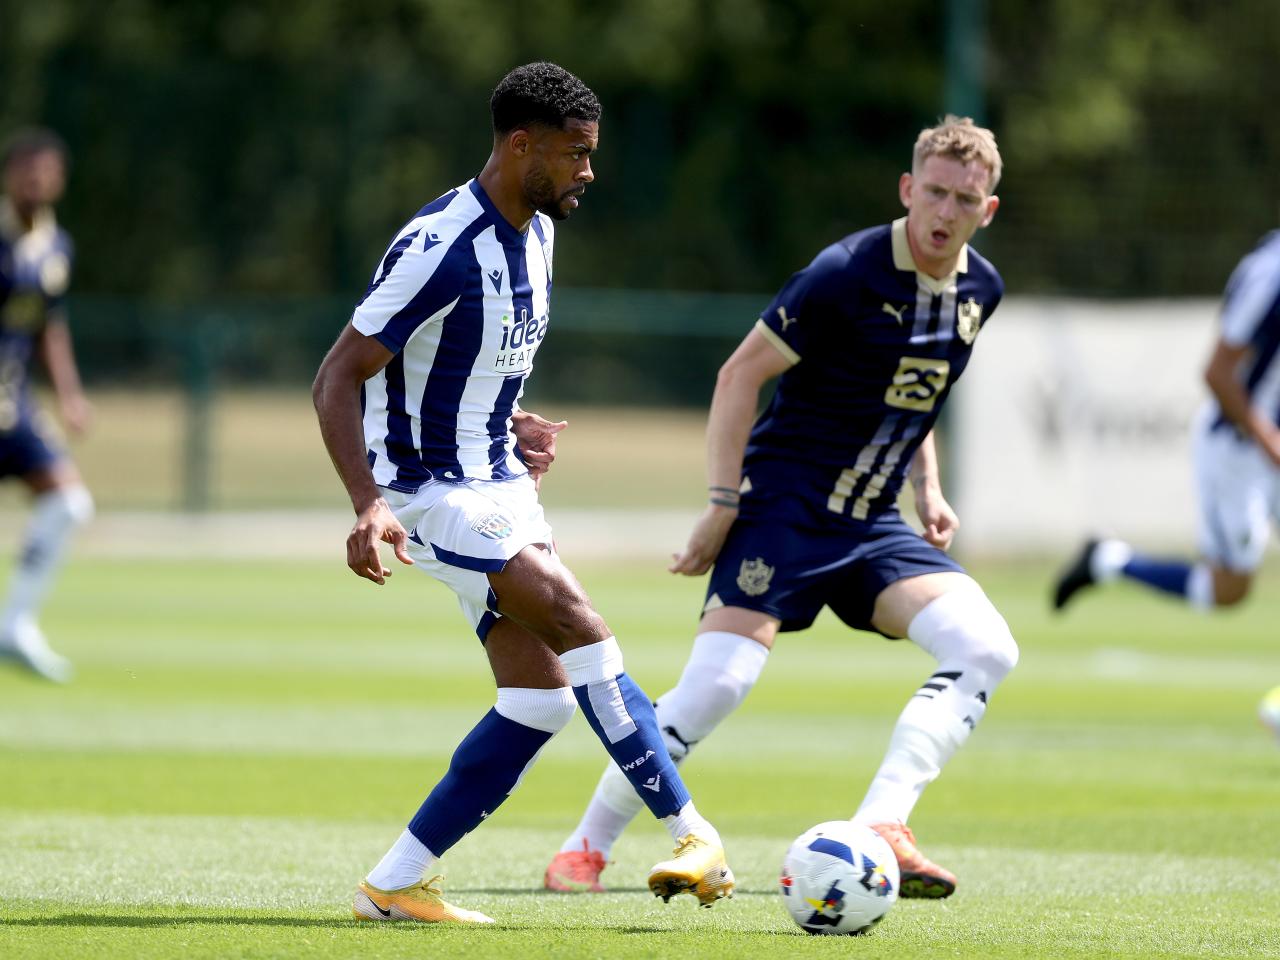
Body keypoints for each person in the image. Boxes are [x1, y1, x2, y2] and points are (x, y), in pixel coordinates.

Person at [545, 116, 1018, 900]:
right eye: (934, 191)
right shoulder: (845, 273)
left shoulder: (981, 290)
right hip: (784, 509)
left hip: (872, 522)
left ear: (987, 210)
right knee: (716, 687)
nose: (945, 211)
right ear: (908, 189)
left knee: (987, 648)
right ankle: (585, 846)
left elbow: (920, 391)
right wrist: (722, 503)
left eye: (964, 200)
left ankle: (882, 826)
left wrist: (927, 488)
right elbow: (738, 375)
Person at [312, 63, 734, 925]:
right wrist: (366, 502)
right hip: (430, 495)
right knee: (579, 620)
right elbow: (336, 376)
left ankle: (392, 885)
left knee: (539, 701)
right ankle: (693, 833)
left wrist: (510, 424)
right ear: (520, 146)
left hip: (497, 483)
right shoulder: (440, 246)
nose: (589, 171)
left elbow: (461, 364)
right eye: (575, 154)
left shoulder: (539, 231)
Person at [1054, 232, 1280, 614]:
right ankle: (1109, 561)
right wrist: (1271, 443)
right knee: (1228, 589)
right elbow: (1218, 374)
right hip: (1239, 448)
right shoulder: (1270, 276)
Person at [0, 128, 94, 683]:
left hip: (12, 405)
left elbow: (48, 327)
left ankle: (14, 625)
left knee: (68, 503)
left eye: (47, 171)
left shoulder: (56, 247)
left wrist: (69, 395)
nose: (36, 179)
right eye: (27, 168)